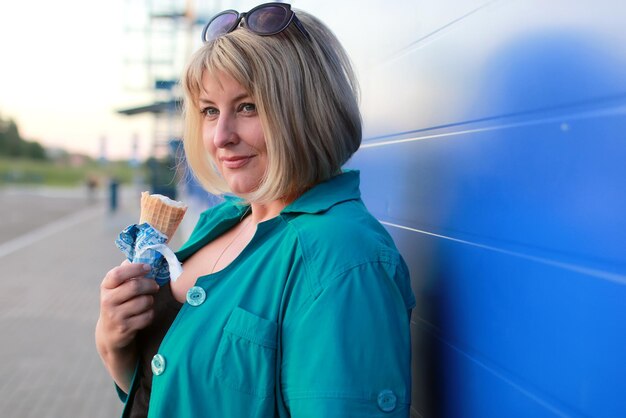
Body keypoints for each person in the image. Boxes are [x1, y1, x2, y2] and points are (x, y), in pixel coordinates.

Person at [95, 3, 416, 417]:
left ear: (307, 110)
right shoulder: (220, 221)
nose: (220, 136)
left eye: (247, 107)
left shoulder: (341, 257)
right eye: (210, 110)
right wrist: (115, 346)